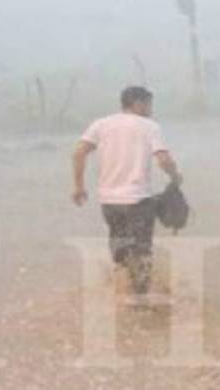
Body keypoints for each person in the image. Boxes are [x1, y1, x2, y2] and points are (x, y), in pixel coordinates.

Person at [71, 86, 183, 297]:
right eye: (149, 104)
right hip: (137, 201)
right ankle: (140, 302)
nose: (151, 109)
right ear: (138, 104)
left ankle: (120, 293)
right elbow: (164, 160)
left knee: (119, 248)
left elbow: (78, 153)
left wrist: (78, 186)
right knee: (141, 252)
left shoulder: (101, 124)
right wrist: (175, 176)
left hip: (109, 201)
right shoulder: (149, 127)